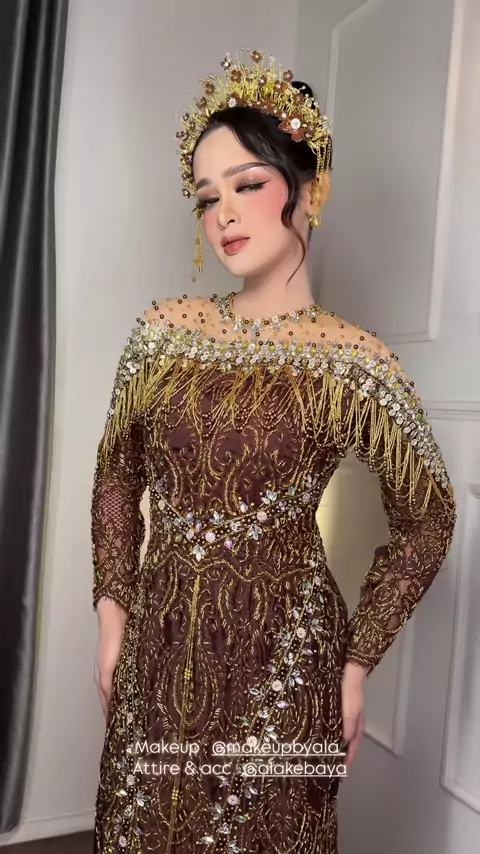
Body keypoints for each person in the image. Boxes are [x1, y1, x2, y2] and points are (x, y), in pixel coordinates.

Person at [91, 49, 456, 854]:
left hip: (286, 669)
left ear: (308, 189)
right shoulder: (162, 333)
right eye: (207, 196)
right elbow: (117, 472)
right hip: (157, 651)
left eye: (247, 184)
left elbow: (430, 517)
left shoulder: (353, 361)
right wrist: (112, 614)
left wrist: (355, 665)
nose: (224, 213)